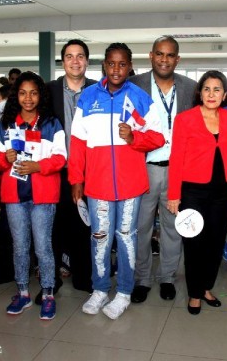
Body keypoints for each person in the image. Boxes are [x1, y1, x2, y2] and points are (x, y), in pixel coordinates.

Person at [69, 43, 164, 320]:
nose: (116, 69)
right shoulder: (87, 97)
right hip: (97, 184)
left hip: (130, 185)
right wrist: (76, 178)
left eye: (122, 64)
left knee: (126, 238)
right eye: (111, 63)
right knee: (99, 238)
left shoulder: (139, 97)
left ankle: (123, 291)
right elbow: (77, 143)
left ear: (130, 66)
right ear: (104, 66)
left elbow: (158, 137)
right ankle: (99, 289)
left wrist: (135, 138)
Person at [0, 71, 66, 320]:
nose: (28, 98)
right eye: (22, 93)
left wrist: (38, 166)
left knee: (44, 247)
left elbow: (60, 157)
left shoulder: (51, 124)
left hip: (43, 195)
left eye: (33, 92)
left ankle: (48, 294)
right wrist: (5, 158)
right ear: (16, 96)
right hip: (14, 196)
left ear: (40, 95)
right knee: (20, 247)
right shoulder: (5, 125)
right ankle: (22, 292)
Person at [129, 36, 197, 303]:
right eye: (159, 54)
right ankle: (142, 278)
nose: (164, 60)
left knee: (172, 227)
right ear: (151, 55)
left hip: (177, 170)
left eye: (170, 55)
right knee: (141, 227)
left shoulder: (191, 88)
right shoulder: (134, 85)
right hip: (142, 167)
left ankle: (167, 277)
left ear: (177, 59)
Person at [167, 70, 227, 315]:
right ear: (200, 92)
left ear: (225, 94)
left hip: (222, 191)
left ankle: (206, 286)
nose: (211, 94)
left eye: (217, 89)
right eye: (207, 89)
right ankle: (194, 292)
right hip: (193, 192)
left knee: (216, 242)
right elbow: (176, 158)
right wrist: (173, 195)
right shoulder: (185, 119)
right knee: (194, 243)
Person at [46, 39, 96, 297]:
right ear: (63, 61)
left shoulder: (99, 90)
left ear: (87, 60)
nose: (75, 61)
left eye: (80, 56)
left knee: (85, 225)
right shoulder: (49, 91)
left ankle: (83, 276)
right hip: (56, 170)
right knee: (53, 227)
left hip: (89, 171)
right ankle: (50, 280)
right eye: (69, 56)